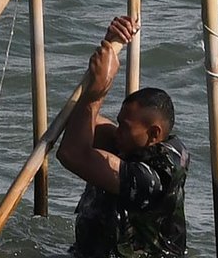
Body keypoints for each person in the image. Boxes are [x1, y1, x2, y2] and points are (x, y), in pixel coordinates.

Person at [56, 16, 190, 258]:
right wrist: (107, 51)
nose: (117, 132)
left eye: (125, 127)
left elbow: (71, 153)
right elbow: (81, 123)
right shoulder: (132, 145)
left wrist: (97, 94)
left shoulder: (152, 179)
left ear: (154, 134)